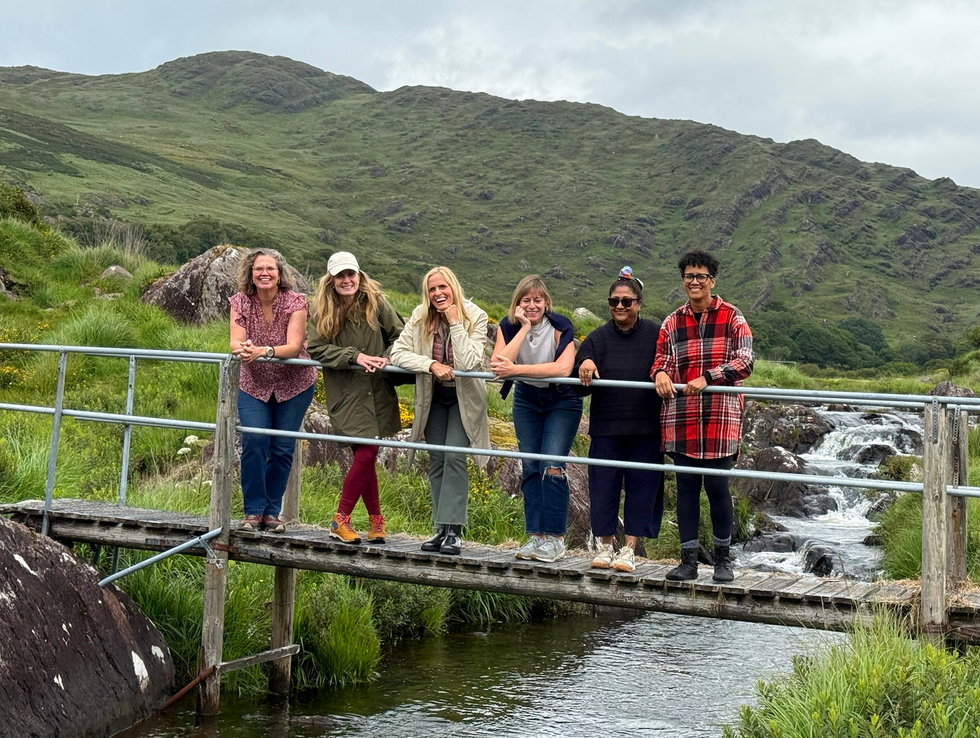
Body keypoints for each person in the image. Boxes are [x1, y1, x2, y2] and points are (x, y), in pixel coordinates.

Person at [652, 250, 754, 582]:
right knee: (686, 488)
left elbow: (745, 361)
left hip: (720, 416)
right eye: (689, 277)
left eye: (701, 276)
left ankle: (723, 561)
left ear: (712, 280)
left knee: (717, 487)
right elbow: (661, 359)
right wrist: (661, 375)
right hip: (682, 417)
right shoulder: (672, 321)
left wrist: (709, 377)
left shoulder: (732, 316)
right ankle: (689, 562)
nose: (694, 282)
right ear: (683, 280)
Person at [390, 266, 490, 556]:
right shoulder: (420, 316)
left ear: (453, 287)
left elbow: (470, 362)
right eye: (432, 289)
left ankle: (454, 531)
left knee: (454, 455)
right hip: (433, 398)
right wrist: (430, 364)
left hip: (464, 400)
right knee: (437, 459)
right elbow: (397, 352)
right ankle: (439, 528)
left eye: (442, 287)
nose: (437, 294)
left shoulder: (476, 316)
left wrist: (455, 323)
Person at [307, 251, 404, 545]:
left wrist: (388, 358)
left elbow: (401, 335)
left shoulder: (377, 302)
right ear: (332, 279)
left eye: (351, 274)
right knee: (367, 454)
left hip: (377, 391)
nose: (346, 280)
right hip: (346, 394)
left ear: (359, 275)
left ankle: (376, 521)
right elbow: (316, 348)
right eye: (340, 276)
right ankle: (341, 520)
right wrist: (355, 356)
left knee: (366, 456)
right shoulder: (321, 309)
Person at [574, 267, 664, 573]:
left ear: (639, 303)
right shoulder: (597, 337)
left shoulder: (656, 333)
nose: (620, 307)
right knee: (604, 487)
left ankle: (629, 550)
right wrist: (585, 362)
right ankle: (605, 545)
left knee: (642, 487)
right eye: (614, 301)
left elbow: (667, 362)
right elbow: (580, 364)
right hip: (607, 428)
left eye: (627, 301)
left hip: (647, 429)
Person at [491, 275, 581, 563]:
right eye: (525, 300)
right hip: (527, 399)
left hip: (562, 399)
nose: (532, 305)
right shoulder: (507, 327)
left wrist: (516, 370)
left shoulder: (560, 325)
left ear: (546, 303)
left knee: (552, 464)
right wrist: (524, 328)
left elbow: (564, 368)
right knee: (529, 464)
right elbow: (498, 364)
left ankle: (555, 539)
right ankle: (535, 537)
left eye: (537, 300)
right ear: (517, 303)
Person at [229, 248, 317, 533]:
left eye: (270, 269)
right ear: (250, 274)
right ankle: (252, 512)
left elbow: (294, 346)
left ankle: (272, 512)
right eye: (258, 269)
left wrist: (263, 351)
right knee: (254, 439)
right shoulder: (240, 301)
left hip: (294, 384)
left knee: (281, 447)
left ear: (280, 274)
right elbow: (235, 340)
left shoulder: (296, 302)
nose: (264, 273)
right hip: (254, 382)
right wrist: (242, 349)